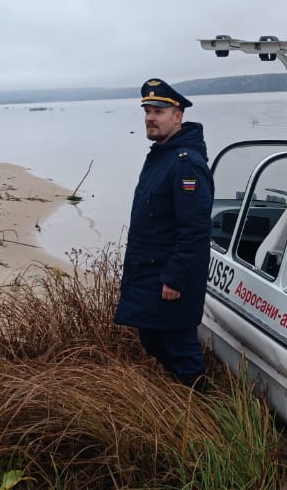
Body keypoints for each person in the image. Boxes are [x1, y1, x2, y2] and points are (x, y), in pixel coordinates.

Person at [116, 78, 215, 391]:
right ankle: (176, 396)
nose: (150, 117)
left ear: (178, 116)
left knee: (180, 348)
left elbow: (195, 229)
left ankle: (202, 407)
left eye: (158, 110)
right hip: (150, 272)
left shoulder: (187, 164)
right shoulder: (162, 155)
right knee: (152, 337)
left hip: (169, 278)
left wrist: (175, 277)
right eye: (147, 110)